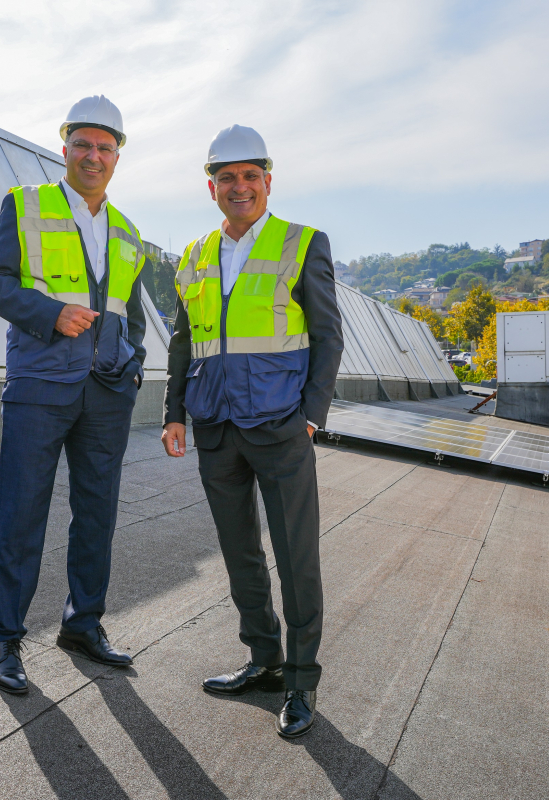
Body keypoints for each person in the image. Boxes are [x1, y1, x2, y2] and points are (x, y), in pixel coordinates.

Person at [161, 125, 343, 738]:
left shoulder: (303, 243)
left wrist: (311, 415)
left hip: (279, 424)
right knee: (240, 554)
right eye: (226, 177)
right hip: (215, 426)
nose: (239, 187)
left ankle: (301, 680)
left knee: (296, 558)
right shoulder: (192, 256)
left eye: (250, 176)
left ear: (268, 181)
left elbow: (327, 336)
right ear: (210, 185)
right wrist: (174, 412)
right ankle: (262, 660)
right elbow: (185, 340)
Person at [0, 95, 147, 694]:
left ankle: (83, 624)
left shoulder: (128, 232)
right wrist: (51, 313)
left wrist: (133, 369)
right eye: (83, 144)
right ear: (65, 146)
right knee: (22, 512)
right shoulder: (24, 205)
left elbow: (134, 314)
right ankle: (4, 638)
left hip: (106, 394)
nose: (94, 155)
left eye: (105, 146)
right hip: (40, 385)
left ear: (117, 155)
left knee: (96, 514)